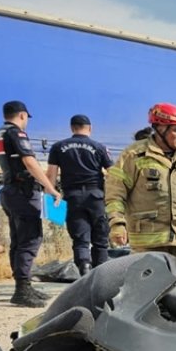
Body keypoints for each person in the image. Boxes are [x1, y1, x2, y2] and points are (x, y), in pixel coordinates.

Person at [106, 102, 176, 274]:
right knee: (149, 293)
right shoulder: (134, 156)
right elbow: (115, 194)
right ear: (159, 128)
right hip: (149, 244)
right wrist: (117, 224)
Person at [0, 100, 62, 307]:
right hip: (23, 191)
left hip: (10, 191)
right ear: (22, 115)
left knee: (18, 240)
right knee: (30, 238)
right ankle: (22, 289)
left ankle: (23, 286)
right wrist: (50, 187)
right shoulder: (16, 133)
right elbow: (29, 161)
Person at [46, 114, 113, 275]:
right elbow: (112, 173)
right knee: (101, 238)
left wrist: (51, 195)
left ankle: (84, 268)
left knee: (80, 238)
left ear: (72, 128)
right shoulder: (99, 147)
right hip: (96, 196)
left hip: (72, 196)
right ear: (90, 128)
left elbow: (51, 176)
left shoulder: (58, 147)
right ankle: (101, 272)